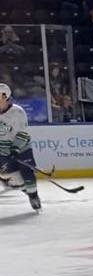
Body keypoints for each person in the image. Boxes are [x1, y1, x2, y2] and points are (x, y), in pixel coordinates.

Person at [0, 83, 41, 211]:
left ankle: (34, 196)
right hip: (3, 152)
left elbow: (22, 134)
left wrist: (14, 149)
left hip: (23, 148)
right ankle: (28, 191)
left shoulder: (17, 112)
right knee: (10, 176)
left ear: (6, 96)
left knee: (28, 174)